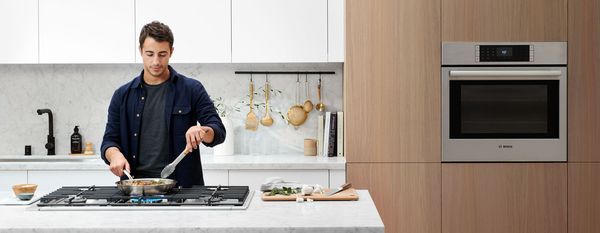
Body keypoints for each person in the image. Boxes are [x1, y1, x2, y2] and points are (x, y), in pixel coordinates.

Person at [100, 21, 225, 187]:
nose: (156, 62)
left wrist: (202, 131)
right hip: (135, 189)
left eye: (162, 54)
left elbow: (218, 131)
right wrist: (114, 155)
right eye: (150, 54)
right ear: (141, 51)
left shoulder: (191, 89)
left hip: (183, 189)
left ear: (171, 52)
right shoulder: (122, 95)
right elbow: (109, 141)